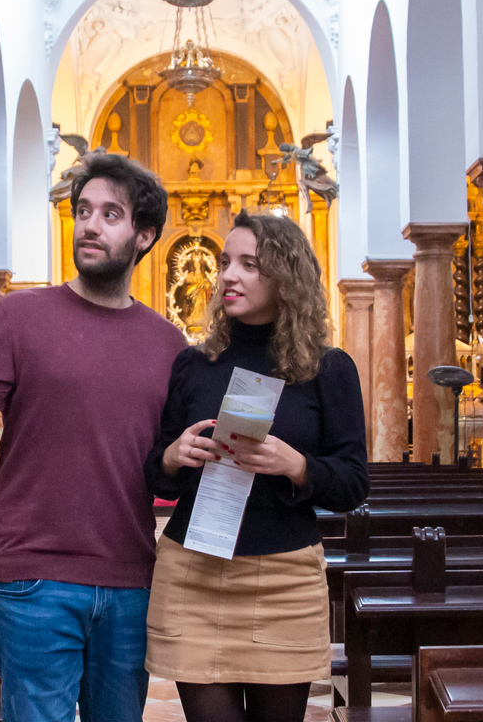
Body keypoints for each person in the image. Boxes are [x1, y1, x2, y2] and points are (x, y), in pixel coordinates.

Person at [0, 152, 186, 722]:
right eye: (83, 211)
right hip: (34, 577)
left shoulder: (169, 344)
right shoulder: (19, 316)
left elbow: (167, 468)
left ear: (144, 235)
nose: (90, 225)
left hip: (130, 579)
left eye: (110, 214)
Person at [145, 211, 370, 722]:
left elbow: (353, 482)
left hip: (284, 581)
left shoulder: (327, 369)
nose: (228, 275)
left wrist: (297, 466)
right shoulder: (194, 364)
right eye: (226, 262)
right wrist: (173, 456)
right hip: (194, 574)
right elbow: (154, 476)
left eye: (250, 264)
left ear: (285, 275)